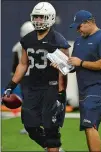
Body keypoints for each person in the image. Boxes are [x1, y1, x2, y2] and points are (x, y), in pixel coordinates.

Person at [2, 2, 70, 152]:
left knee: (51, 130)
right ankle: (51, 147)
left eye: (42, 17)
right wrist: (10, 85)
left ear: (50, 18)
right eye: (36, 17)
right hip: (33, 88)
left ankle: (53, 146)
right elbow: (23, 64)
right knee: (30, 126)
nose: (38, 20)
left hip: (51, 89)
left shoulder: (58, 40)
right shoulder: (28, 39)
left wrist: (60, 92)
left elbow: (67, 70)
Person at [68, 10, 101, 152]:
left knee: (89, 124)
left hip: (99, 88)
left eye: (79, 26)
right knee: (89, 126)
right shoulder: (78, 41)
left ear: (89, 22)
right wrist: (61, 65)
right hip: (84, 90)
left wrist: (81, 63)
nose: (77, 30)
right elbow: (73, 66)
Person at [11, 21, 35, 135]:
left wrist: (14, 77)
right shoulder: (39, 44)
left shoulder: (18, 46)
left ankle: (28, 126)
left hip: (25, 77)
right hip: (38, 76)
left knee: (27, 102)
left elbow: (15, 64)